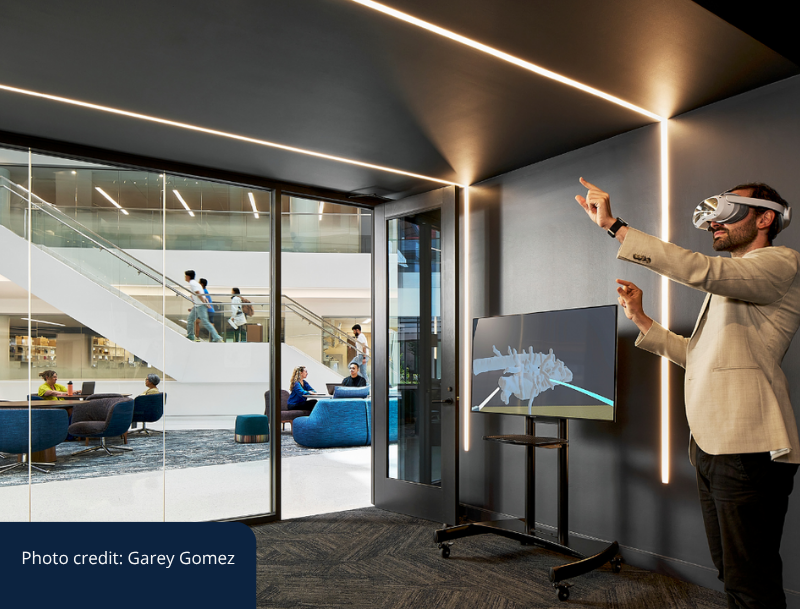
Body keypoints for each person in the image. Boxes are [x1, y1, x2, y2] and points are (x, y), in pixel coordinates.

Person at [576, 177, 800, 609]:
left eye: (729, 213)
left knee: (750, 580)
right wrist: (641, 319)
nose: (715, 223)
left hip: (749, 449)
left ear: (765, 218)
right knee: (731, 572)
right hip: (712, 447)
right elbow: (697, 355)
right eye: (712, 215)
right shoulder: (732, 286)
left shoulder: (779, 263)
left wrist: (616, 227)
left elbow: (705, 271)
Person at [185, 270, 222, 342]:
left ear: (188, 276)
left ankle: (217, 337)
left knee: (205, 322)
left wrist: (205, 303)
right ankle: (190, 335)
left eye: (185, 276)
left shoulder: (193, 283)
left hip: (200, 305)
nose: (185, 277)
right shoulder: (195, 283)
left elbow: (198, 294)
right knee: (190, 319)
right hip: (197, 305)